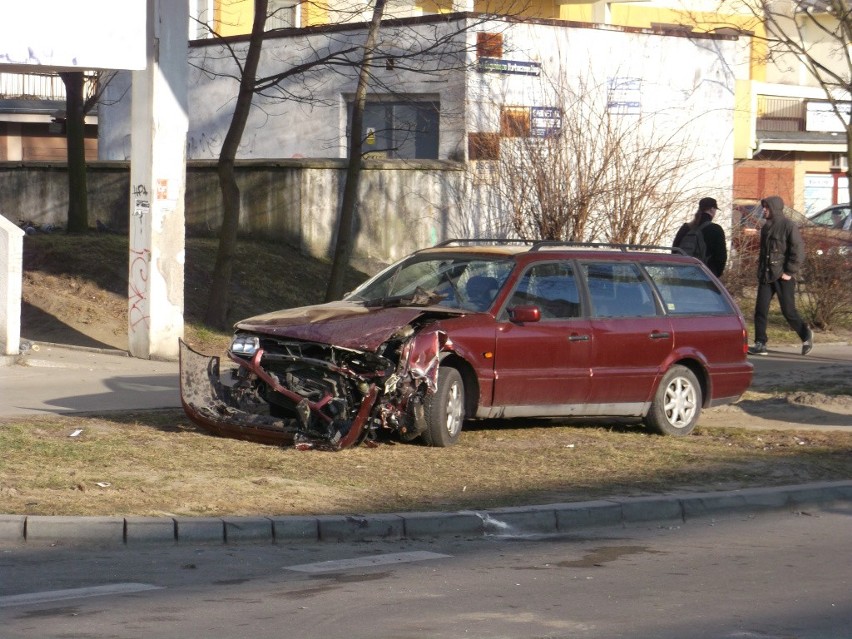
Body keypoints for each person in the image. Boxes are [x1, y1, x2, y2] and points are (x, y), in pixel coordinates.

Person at [748, 195, 813, 356]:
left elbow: (798, 251)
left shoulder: (788, 226)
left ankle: (806, 335)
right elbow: (764, 254)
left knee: (788, 311)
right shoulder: (765, 227)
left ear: (774, 209)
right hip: (766, 275)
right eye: (763, 207)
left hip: (783, 277)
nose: (764, 210)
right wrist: (760, 272)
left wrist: (789, 272)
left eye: (766, 207)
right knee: (760, 310)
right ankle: (760, 343)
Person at [672, 197, 728, 277]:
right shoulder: (715, 229)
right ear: (712, 209)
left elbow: (675, 250)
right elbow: (721, 257)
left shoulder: (685, 228)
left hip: (682, 275)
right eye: (715, 209)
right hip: (703, 277)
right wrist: (715, 276)